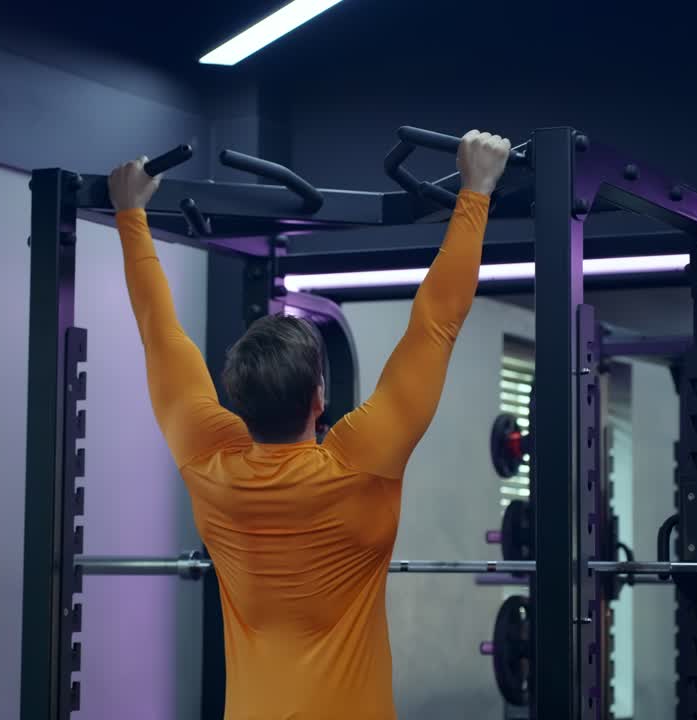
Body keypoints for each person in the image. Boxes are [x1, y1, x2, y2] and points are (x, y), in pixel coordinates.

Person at [107, 131, 511, 719]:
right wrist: (476, 190)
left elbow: (159, 334)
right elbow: (436, 323)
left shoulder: (208, 461)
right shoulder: (360, 461)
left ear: (236, 403)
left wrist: (130, 214)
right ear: (319, 396)